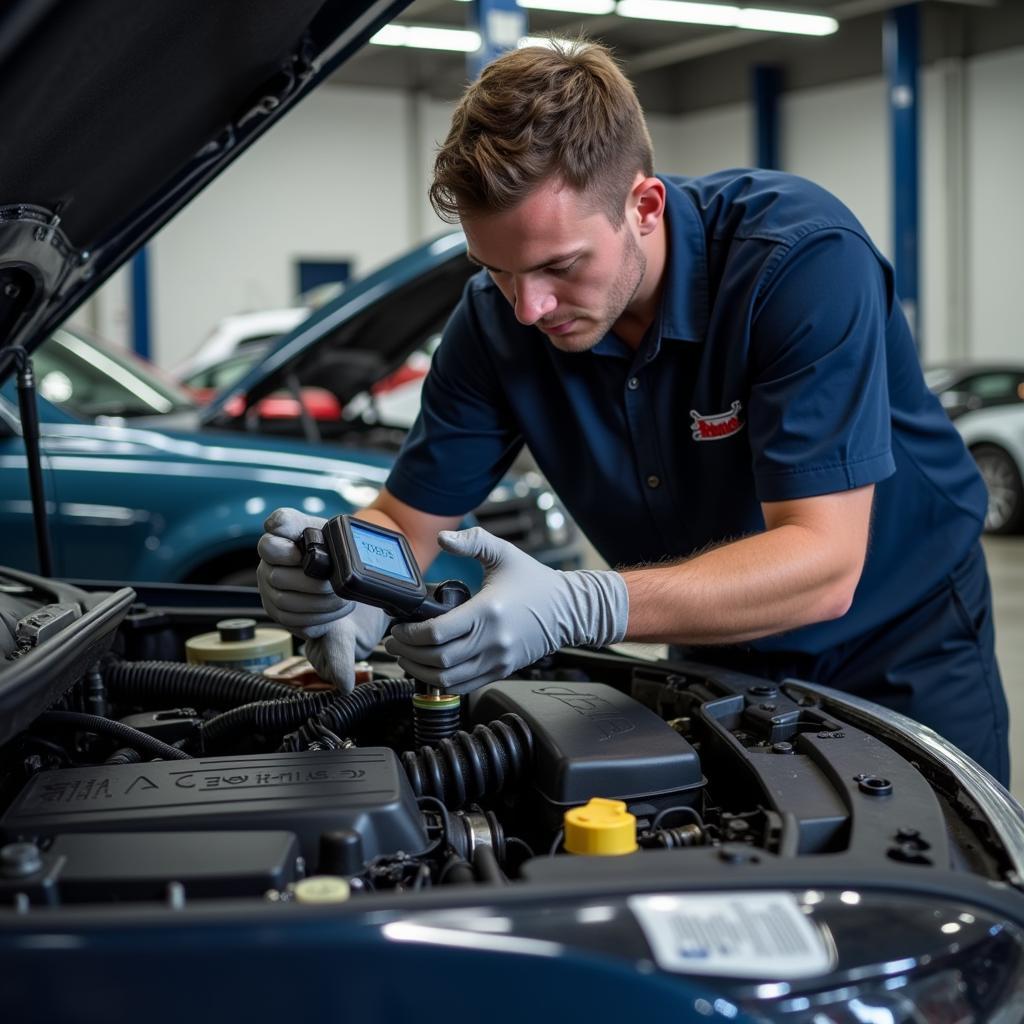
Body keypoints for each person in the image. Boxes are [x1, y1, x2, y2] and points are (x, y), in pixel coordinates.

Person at [257, 40, 1010, 784]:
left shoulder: (800, 263)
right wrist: (338, 576)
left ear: (643, 206)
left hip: (901, 652)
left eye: (559, 266)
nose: (529, 308)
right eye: (497, 270)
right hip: (712, 648)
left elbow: (822, 564)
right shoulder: (494, 321)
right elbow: (407, 522)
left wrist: (581, 603)